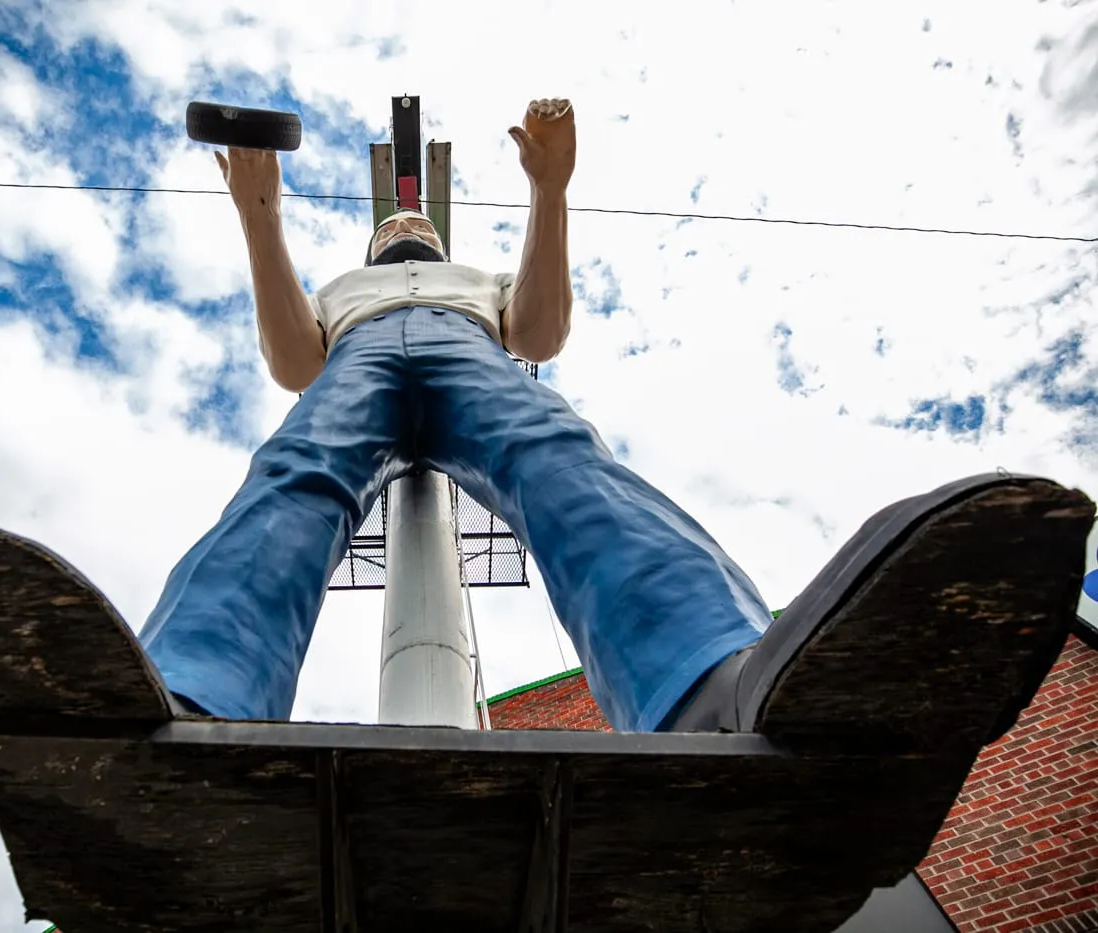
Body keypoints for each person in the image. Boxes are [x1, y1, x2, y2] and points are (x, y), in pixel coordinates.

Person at [131, 98, 1089, 744]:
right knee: (297, 474)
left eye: (411, 226)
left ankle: (711, 686)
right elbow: (297, 361)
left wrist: (549, 189)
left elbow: (538, 325)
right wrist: (261, 217)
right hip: (360, 353)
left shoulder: (477, 279)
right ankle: (192, 699)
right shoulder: (348, 288)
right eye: (391, 228)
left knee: (563, 463)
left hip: (473, 348)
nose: (403, 228)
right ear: (375, 244)